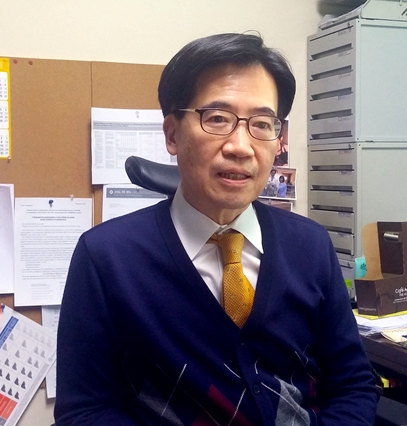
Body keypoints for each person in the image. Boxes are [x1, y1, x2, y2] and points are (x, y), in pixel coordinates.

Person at [55, 32, 378, 425]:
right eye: (218, 119)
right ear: (172, 134)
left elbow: (353, 383)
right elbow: (85, 411)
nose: (240, 146)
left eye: (262, 123)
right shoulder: (107, 257)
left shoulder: (309, 245)